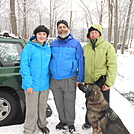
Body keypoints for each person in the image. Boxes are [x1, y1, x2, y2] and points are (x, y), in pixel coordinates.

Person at [50, 20, 84, 133]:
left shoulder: (75, 43)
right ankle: (62, 120)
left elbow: (80, 61)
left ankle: (70, 123)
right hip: (55, 78)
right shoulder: (53, 44)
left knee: (69, 102)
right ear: (57, 29)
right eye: (60, 27)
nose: (62, 29)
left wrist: (80, 79)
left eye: (64, 27)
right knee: (58, 101)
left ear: (68, 28)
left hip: (69, 78)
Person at [81, 24, 117, 129]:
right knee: (89, 102)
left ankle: (104, 124)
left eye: (95, 32)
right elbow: (81, 64)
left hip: (101, 80)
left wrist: (109, 82)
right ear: (89, 35)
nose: (93, 34)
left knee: (103, 104)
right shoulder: (85, 48)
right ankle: (88, 122)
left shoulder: (107, 47)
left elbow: (112, 65)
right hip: (89, 81)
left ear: (100, 34)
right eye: (91, 33)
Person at [19, 25, 51, 134]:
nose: (42, 36)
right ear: (35, 35)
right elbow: (24, 66)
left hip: (45, 84)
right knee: (31, 108)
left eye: (44, 34)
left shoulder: (48, 48)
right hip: (32, 84)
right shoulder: (29, 48)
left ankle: (42, 124)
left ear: (46, 36)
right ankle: (29, 128)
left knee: (42, 107)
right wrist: (28, 84)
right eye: (39, 34)